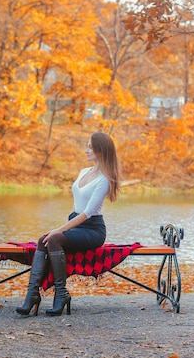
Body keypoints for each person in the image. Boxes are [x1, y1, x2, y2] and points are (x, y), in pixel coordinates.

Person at [16, 131, 120, 317]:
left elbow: (87, 213)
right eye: (87, 146)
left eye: (90, 147)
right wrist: (65, 228)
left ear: (101, 150)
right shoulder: (84, 172)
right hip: (76, 223)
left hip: (92, 230)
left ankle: (61, 295)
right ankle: (32, 296)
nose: (86, 150)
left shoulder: (104, 179)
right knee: (44, 240)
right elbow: (76, 204)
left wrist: (60, 230)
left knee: (53, 238)